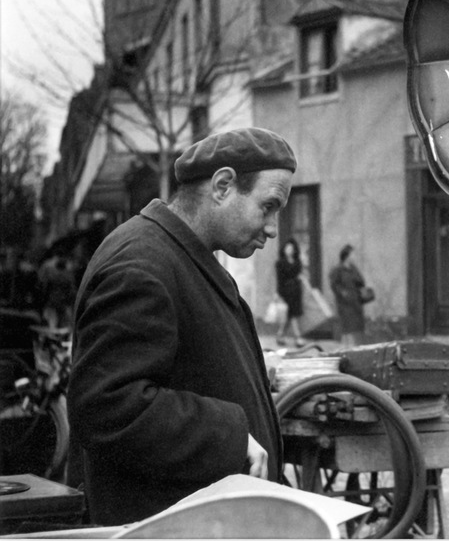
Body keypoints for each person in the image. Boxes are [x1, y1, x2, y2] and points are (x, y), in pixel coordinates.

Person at [67, 127, 296, 526]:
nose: (273, 228)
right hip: (159, 526)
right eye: (269, 206)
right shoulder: (141, 264)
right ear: (223, 186)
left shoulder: (173, 255)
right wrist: (232, 436)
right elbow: (108, 406)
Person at [328, 244, 367, 347]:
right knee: (346, 326)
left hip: (355, 301)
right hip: (344, 303)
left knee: (356, 327)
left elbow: (361, 281)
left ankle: (354, 347)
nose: (355, 256)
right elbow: (334, 284)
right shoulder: (338, 269)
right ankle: (346, 347)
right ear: (347, 256)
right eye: (353, 254)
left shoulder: (354, 268)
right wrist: (342, 292)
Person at [275, 238, 304, 347]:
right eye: (287, 248)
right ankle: (298, 337)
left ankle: (280, 335)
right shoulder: (280, 263)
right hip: (286, 291)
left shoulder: (297, 261)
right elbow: (279, 279)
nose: (289, 250)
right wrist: (278, 293)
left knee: (289, 315)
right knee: (293, 315)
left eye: (291, 248)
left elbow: (299, 274)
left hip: (296, 291)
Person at [38, 253, 76, 329]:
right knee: (53, 325)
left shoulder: (67, 271)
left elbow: (71, 289)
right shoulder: (50, 268)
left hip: (59, 303)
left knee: (60, 325)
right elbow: (44, 286)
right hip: (55, 302)